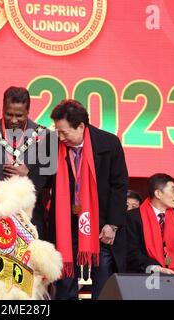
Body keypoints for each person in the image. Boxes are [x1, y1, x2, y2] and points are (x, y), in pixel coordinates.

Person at [48, 99, 128, 300]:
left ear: (81, 126)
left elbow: (119, 186)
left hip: (100, 225)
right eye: (57, 131)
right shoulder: (52, 147)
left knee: (102, 285)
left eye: (64, 132)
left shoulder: (108, 143)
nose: (60, 136)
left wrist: (113, 224)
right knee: (65, 284)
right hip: (66, 226)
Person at [0, 86, 53, 239]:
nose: (14, 120)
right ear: (2, 108)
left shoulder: (45, 135)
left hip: (32, 214)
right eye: (9, 114)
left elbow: (51, 177)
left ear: (28, 111)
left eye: (19, 115)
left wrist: (29, 174)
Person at [127, 173, 174, 274]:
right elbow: (132, 252)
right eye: (173, 190)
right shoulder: (133, 217)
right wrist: (156, 268)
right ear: (158, 194)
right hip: (145, 276)